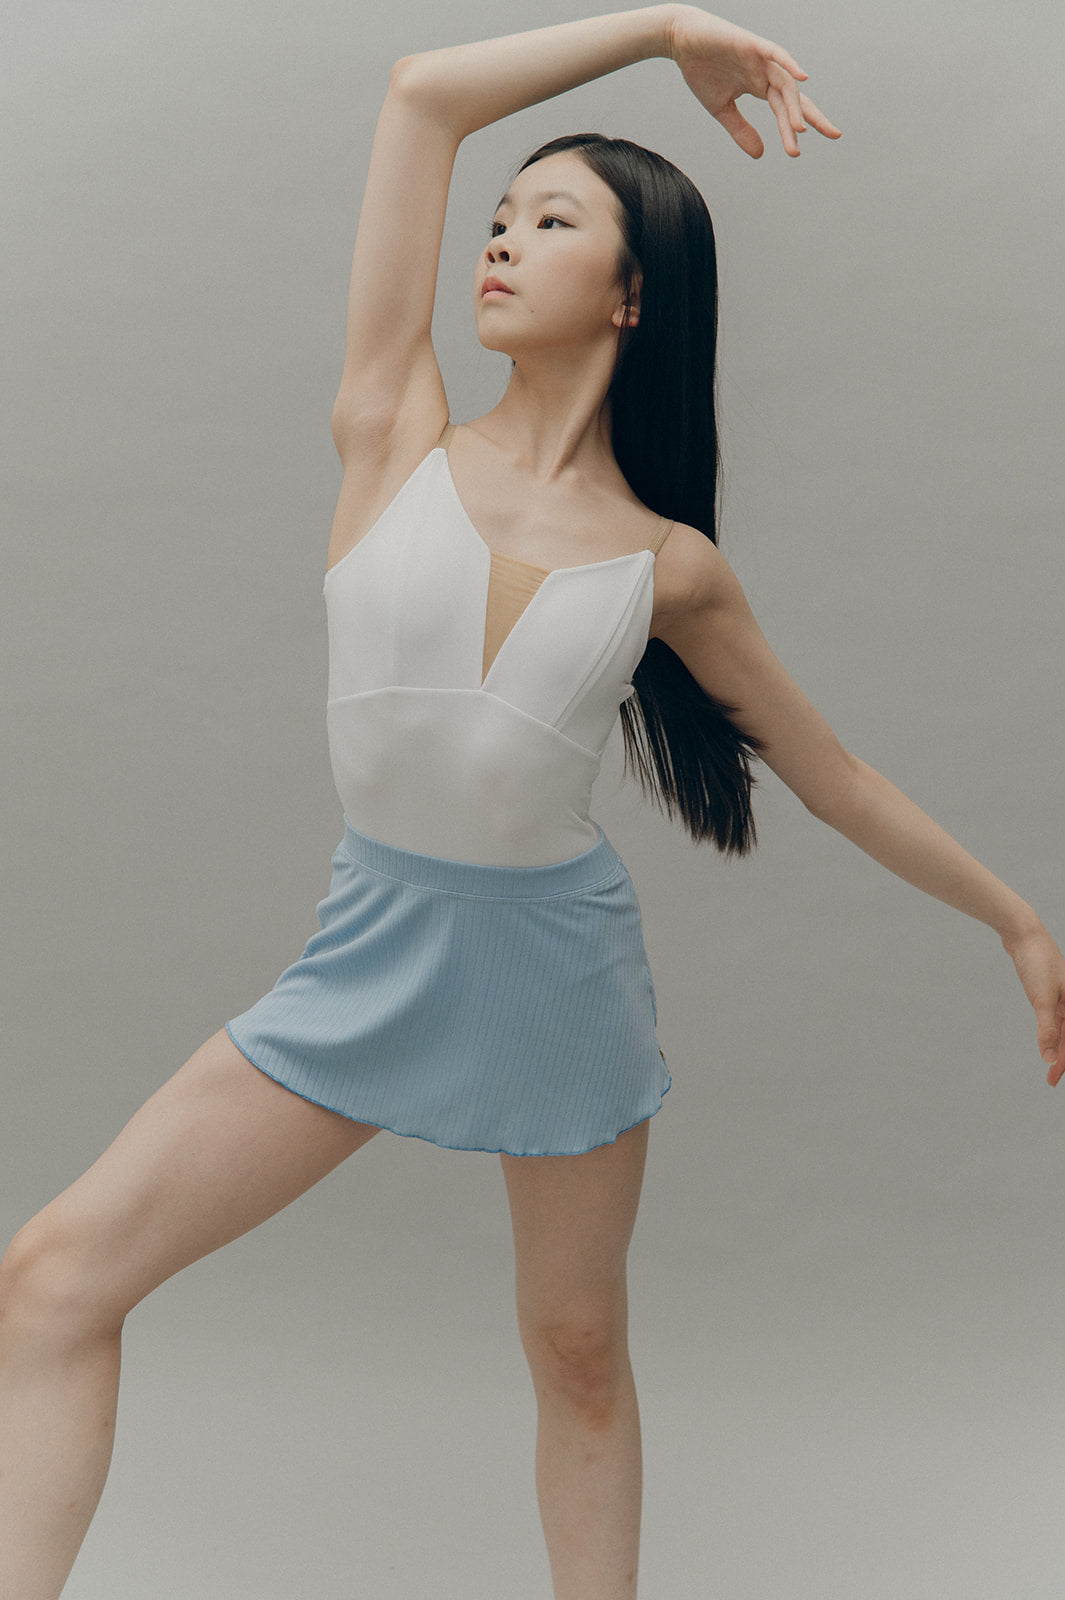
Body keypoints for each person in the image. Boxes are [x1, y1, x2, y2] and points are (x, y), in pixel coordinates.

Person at [1, 7, 1062, 1598]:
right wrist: (661, 30)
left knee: (575, 1352)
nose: (497, 243)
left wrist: (1016, 921)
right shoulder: (392, 428)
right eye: (499, 219)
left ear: (631, 296)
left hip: (559, 970)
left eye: (550, 222)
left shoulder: (671, 568)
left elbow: (835, 777)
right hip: (372, 948)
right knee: (53, 1277)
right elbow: (422, 95)